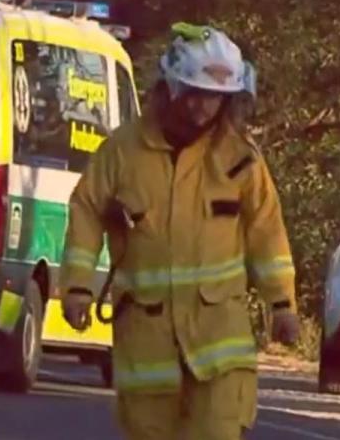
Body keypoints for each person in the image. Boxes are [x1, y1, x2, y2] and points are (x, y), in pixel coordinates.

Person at [59, 23, 299, 440]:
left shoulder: (240, 161)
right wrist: (77, 287)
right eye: (195, 93)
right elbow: (86, 208)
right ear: (170, 87)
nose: (203, 107)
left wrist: (282, 304)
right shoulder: (123, 151)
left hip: (220, 347)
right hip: (148, 347)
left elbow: (266, 231)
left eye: (215, 97)